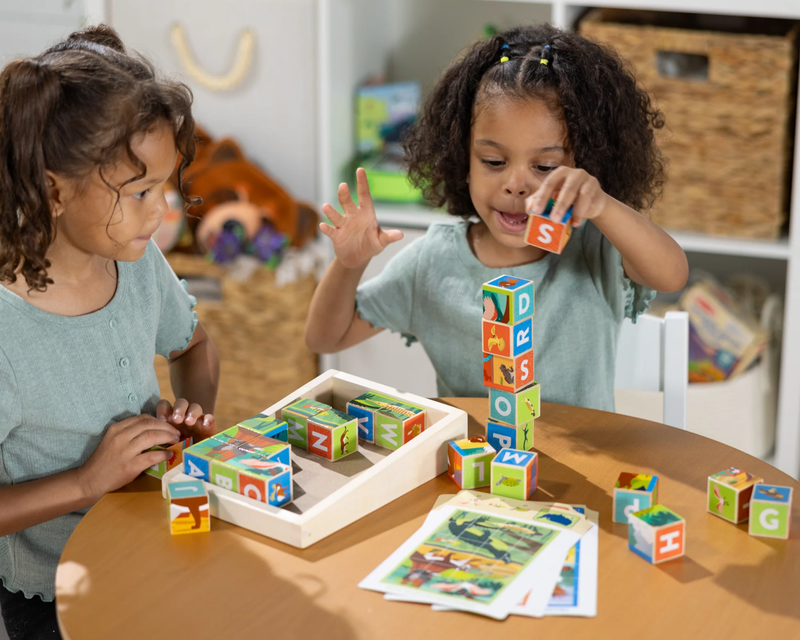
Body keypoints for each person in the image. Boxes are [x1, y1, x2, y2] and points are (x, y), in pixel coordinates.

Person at [306, 24, 688, 407]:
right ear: (462, 159)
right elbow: (326, 338)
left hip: (581, 463)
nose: (516, 185)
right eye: (493, 161)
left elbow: (672, 275)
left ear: (584, 165)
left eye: (545, 167)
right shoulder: (431, 263)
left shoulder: (595, 247)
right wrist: (348, 264)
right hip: (474, 463)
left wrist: (602, 205)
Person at [0, 25, 220, 639]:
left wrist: (193, 418)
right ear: (53, 189)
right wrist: (85, 482)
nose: (163, 211)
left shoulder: (136, 259)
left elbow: (195, 343)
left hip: (157, 543)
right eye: (141, 190)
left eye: (165, 186)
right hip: (56, 592)